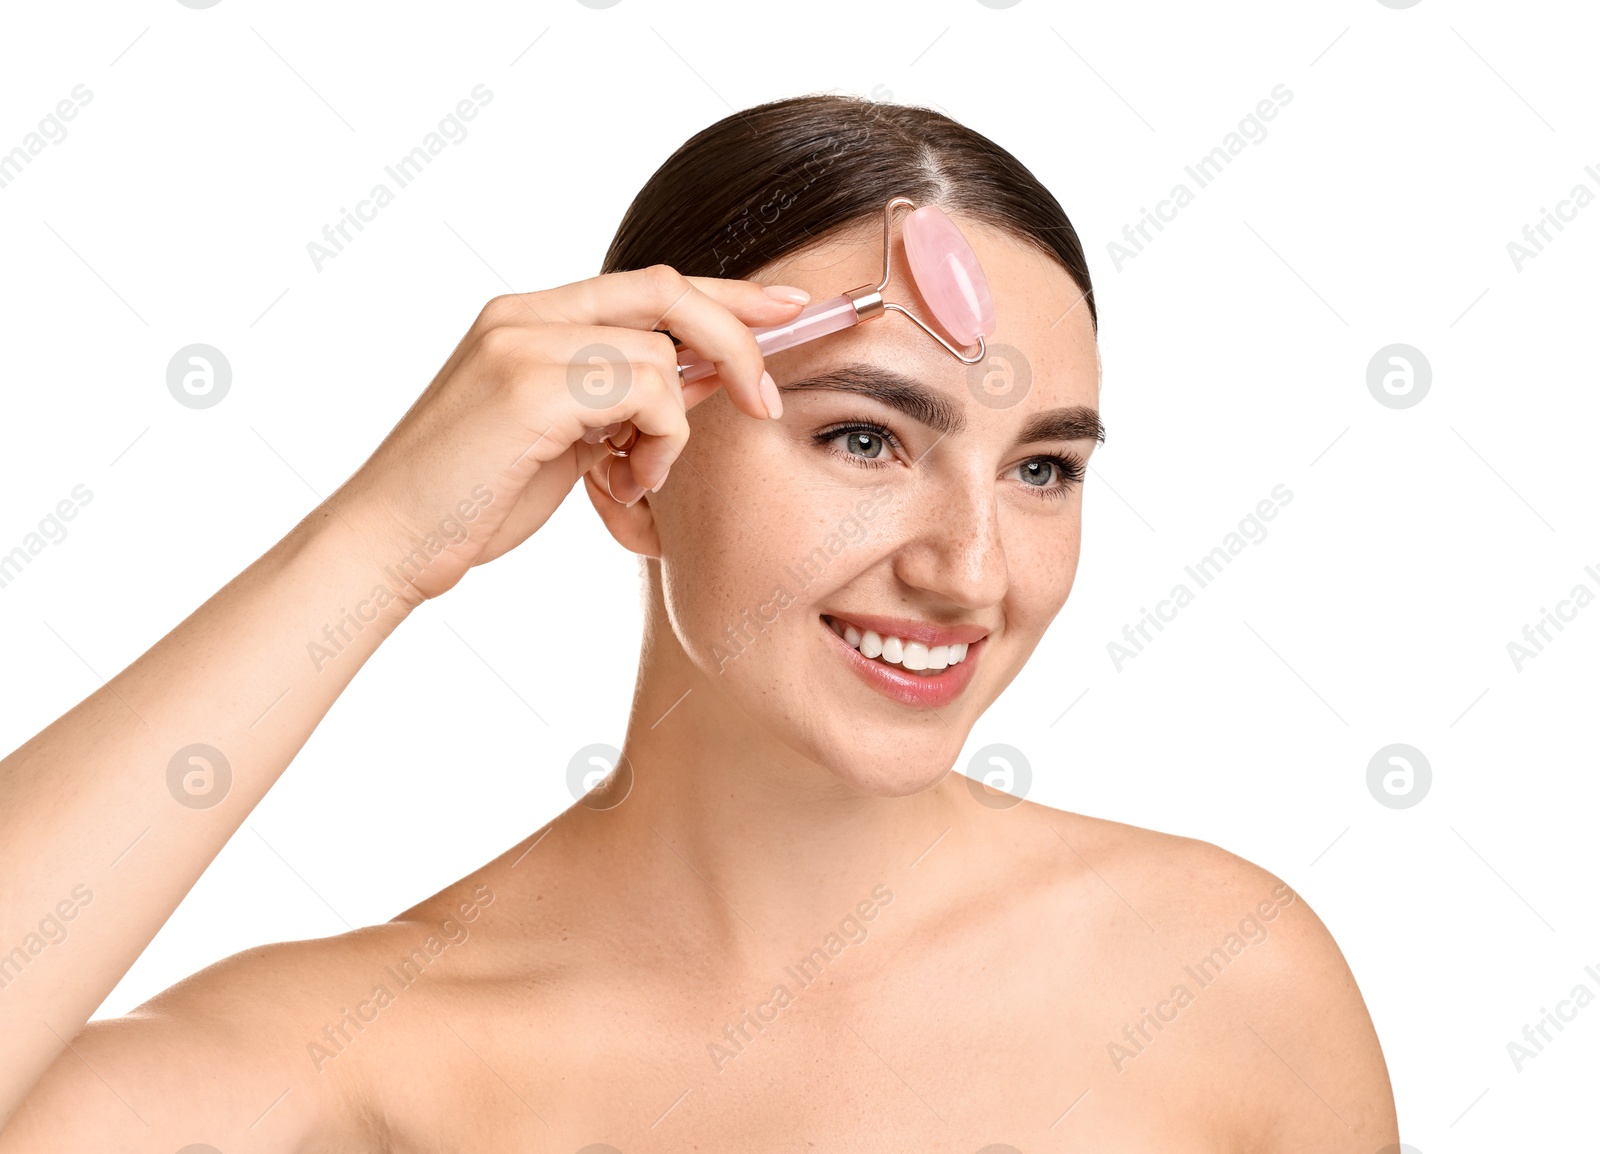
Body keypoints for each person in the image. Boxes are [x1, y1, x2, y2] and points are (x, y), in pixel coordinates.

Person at [0, 93, 1399, 1150]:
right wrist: (378, 544)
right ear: (628, 458)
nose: (972, 570)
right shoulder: (364, 1060)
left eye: (1043, 468)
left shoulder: (1226, 975)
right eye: (864, 439)